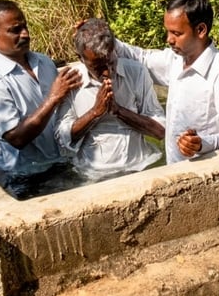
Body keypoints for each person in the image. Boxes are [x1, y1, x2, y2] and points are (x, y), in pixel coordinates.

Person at [115, 0, 219, 164]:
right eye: (168, 32)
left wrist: (201, 144)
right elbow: (141, 58)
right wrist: (106, 38)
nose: (169, 39)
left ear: (200, 30)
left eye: (176, 33)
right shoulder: (176, 60)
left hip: (206, 175)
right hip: (174, 169)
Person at [0, 0, 82, 194]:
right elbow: (16, 138)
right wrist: (54, 97)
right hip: (25, 176)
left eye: (25, 26)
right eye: (15, 30)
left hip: (59, 163)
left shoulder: (44, 62)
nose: (25, 34)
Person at [55, 19, 166, 179]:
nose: (107, 72)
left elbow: (161, 130)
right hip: (92, 173)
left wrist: (119, 111)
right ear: (80, 58)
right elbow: (61, 138)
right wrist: (94, 113)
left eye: (111, 63)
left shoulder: (136, 72)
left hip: (141, 166)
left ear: (114, 50)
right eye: (98, 67)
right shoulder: (71, 82)